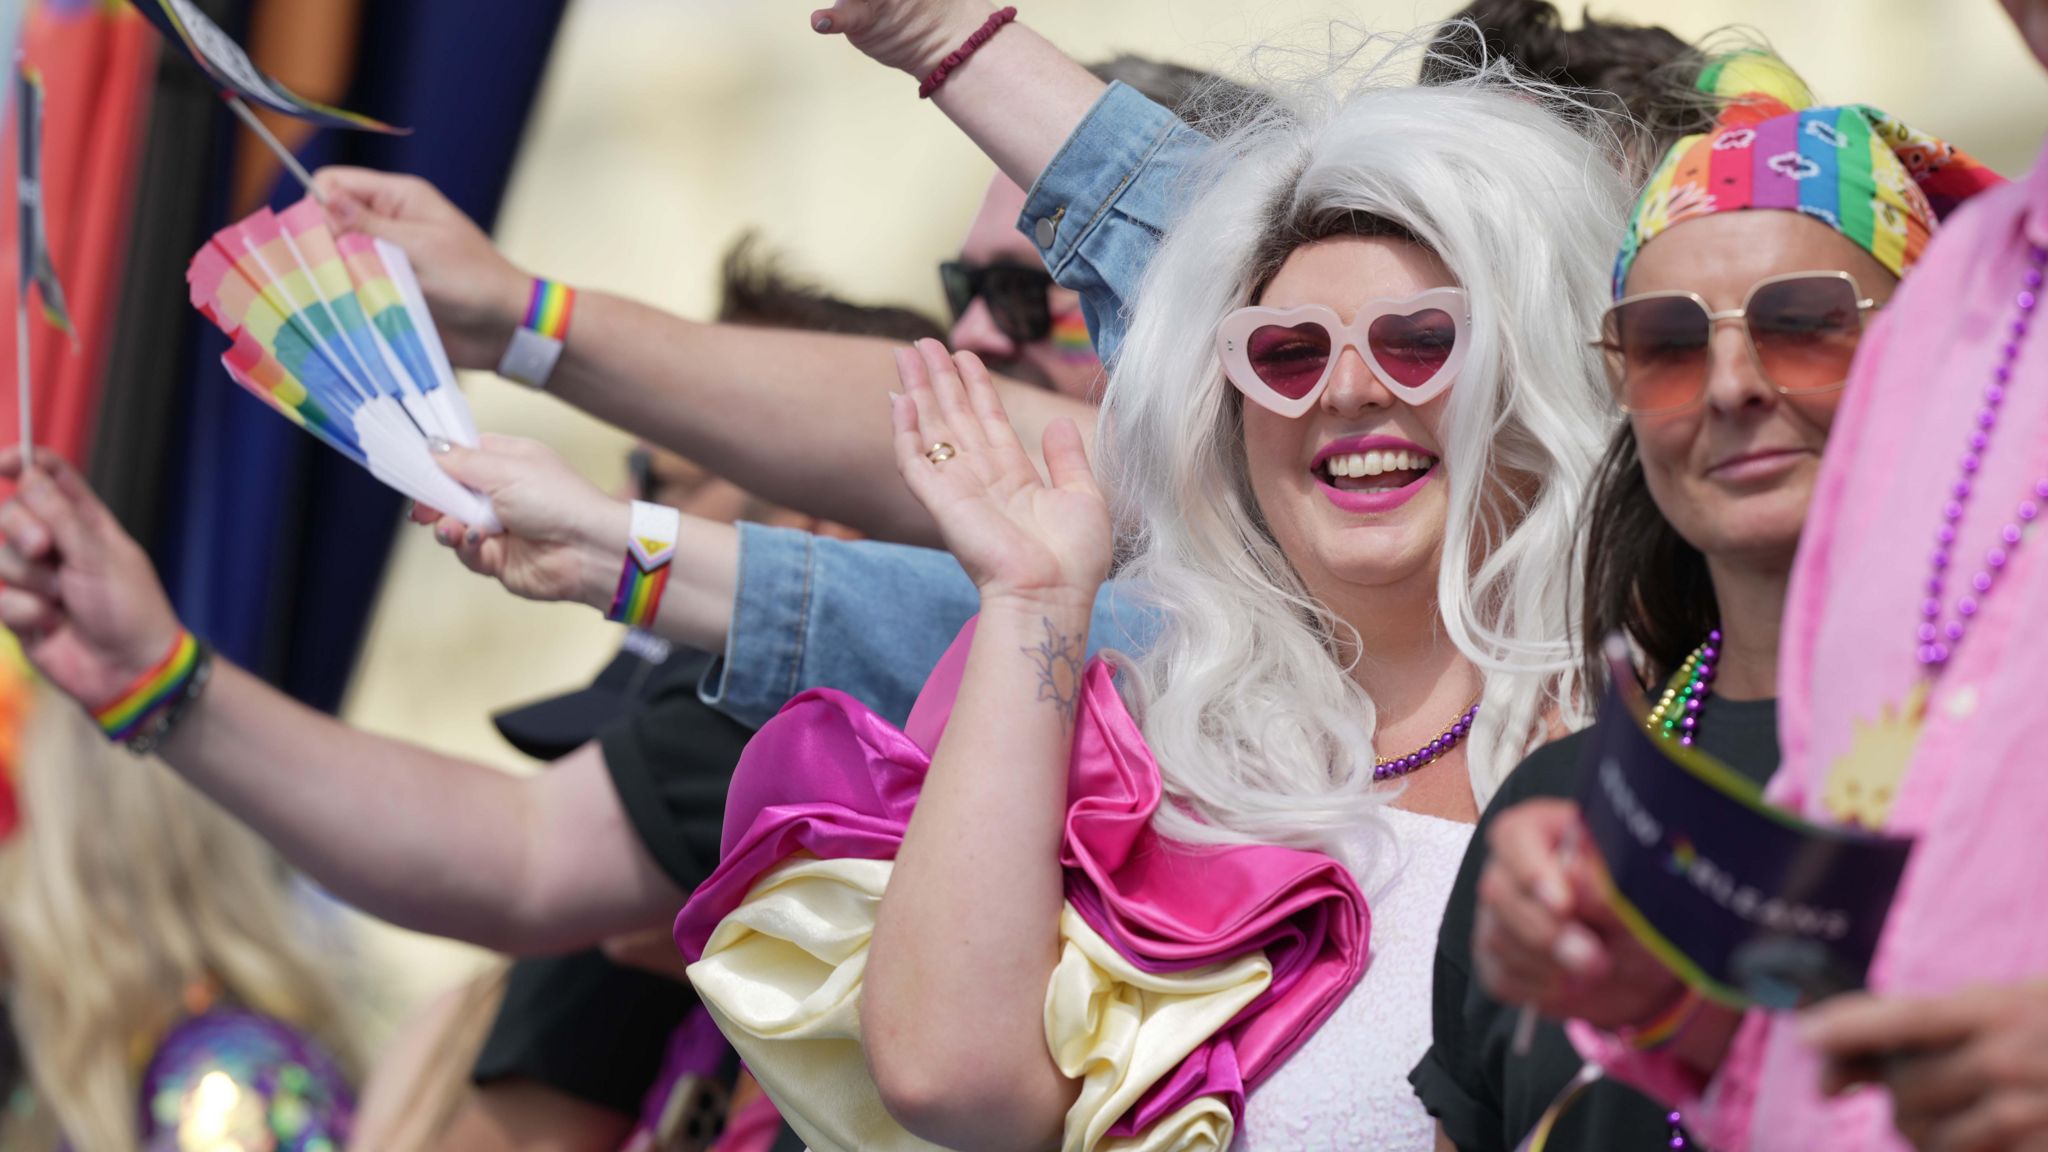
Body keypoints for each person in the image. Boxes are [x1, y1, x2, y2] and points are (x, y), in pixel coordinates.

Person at [1425, 42, 2005, 1152]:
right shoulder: (1560, 819)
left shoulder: (2012, 758)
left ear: (1930, 347)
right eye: (1670, 345)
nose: (1733, 386)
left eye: (1802, 322)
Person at [316, 57, 1231, 549]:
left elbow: (891, 419)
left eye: (1034, 297)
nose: (976, 334)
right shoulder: (979, 569)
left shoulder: (1236, 501)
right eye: (970, 290)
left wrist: (523, 319)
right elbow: (537, 851)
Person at [0, 670, 356, 1152]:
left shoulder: (227, 1081)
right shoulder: (132, 1068)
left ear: (92, 874)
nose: (12, 872)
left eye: (24, 831)